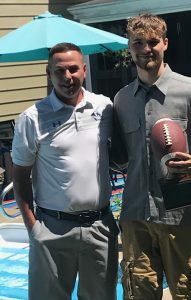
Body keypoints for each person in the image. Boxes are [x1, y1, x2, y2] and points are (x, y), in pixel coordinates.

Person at [111, 14, 191, 300]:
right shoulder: (122, 100)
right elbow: (119, 156)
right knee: (138, 293)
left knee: (187, 292)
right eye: (138, 43)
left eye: (153, 42)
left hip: (180, 215)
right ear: (129, 49)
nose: (146, 49)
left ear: (165, 43)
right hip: (135, 217)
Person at [12, 42, 119, 300]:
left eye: (73, 69)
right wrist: (34, 229)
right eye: (59, 71)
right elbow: (19, 175)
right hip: (52, 229)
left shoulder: (104, 107)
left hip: (99, 227)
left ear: (84, 70)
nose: (67, 77)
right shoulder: (33, 117)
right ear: (48, 74)